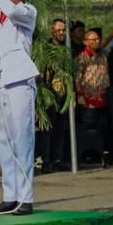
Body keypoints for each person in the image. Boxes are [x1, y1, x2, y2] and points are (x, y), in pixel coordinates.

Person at [0, 0, 39, 216]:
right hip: (0, 81)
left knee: (22, 139)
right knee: (3, 139)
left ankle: (25, 198)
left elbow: (13, 12)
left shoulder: (27, 12)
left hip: (19, 80)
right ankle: (10, 195)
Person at [75, 29, 112, 167]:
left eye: (98, 39)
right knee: (89, 129)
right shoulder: (82, 57)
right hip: (89, 99)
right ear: (86, 42)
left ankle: (104, 155)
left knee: (104, 128)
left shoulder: (103, 55)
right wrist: (80, 95)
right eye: (93, 40)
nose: (96, 42)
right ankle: (89, 156)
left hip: (103, 98)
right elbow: (77, 78)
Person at [38, 18, 69, 172]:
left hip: (64, 94)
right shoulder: (46, 49)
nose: (62, 33)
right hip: (50, 94)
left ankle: (58, 158)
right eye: (59, 30)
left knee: (60, 129)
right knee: (47, 130)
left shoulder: (66, 48)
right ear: (52, 30)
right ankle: (46, 160)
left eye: (64, 30)